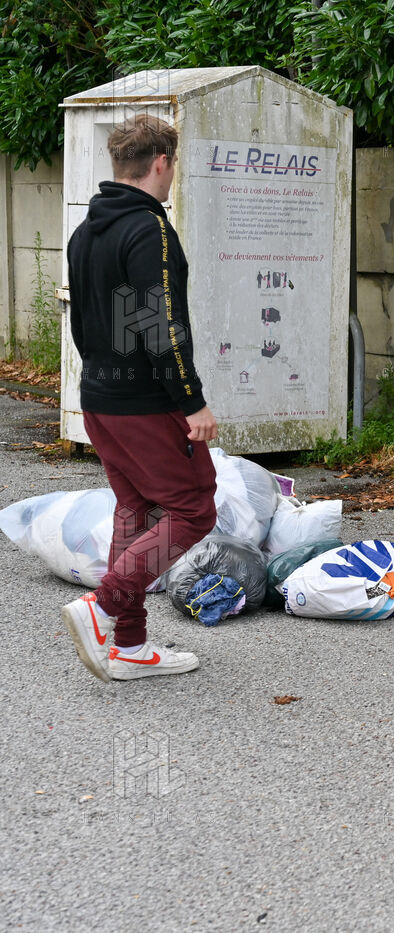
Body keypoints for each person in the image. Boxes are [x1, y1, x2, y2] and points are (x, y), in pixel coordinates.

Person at [62, 113, 218, 682]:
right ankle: (103, 606)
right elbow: (161, 326)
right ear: (162, 163)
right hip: (146, 403)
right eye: (173, 165)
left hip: (100, 396)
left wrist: (102, 382)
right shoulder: (150, 229)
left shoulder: (86, 231)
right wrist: (192, 401)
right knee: (194, 507)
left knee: (136, 510)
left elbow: (82, 322)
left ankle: (128, 645)